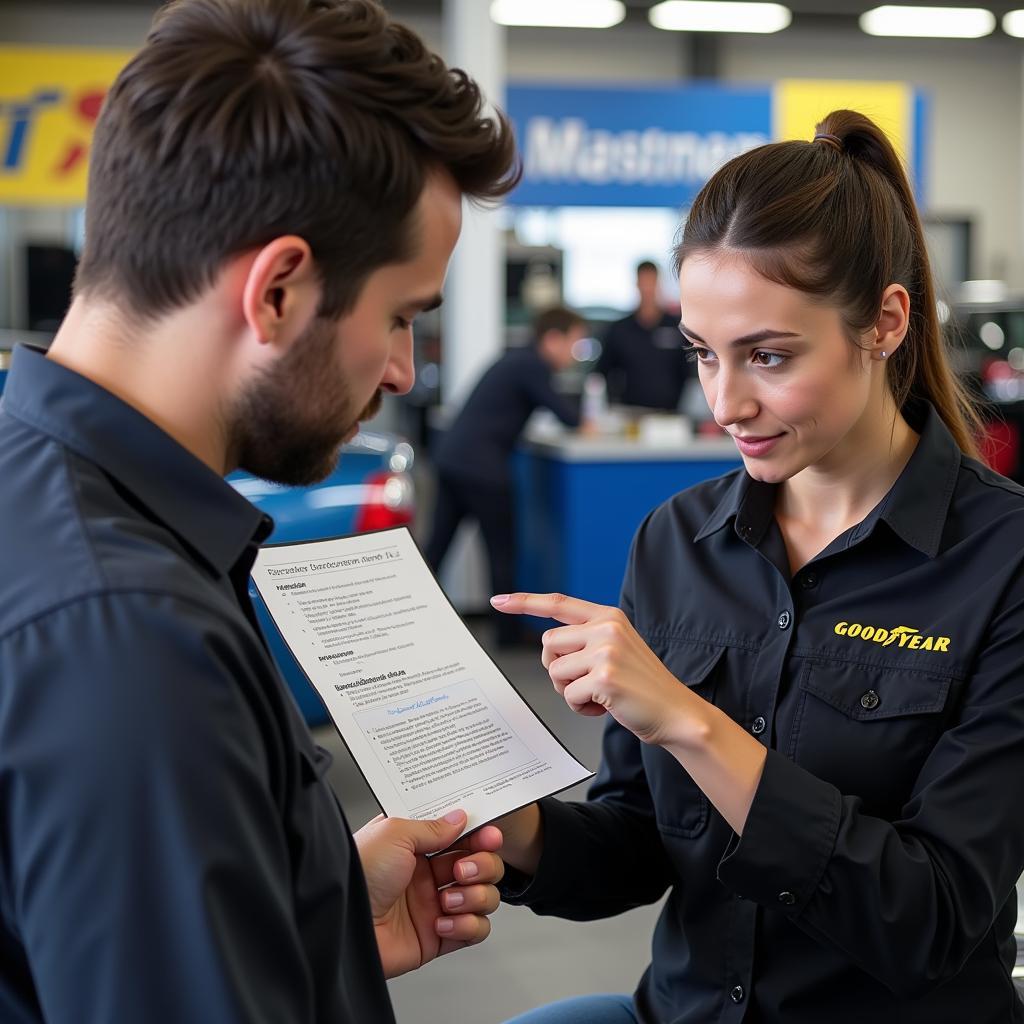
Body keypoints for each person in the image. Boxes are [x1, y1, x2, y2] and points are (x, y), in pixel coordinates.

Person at [0, 1, 520, 1021]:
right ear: (278, 289)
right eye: (401, 315)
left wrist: (309, 906)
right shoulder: (132, 639)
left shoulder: (49, 504)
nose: (407, 370)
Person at [490, 111, 1024, 1024]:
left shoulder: (1003, 562)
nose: (726, 402)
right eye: (704, 354)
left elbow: (930, 920)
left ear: (886, 323)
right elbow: (639, 842)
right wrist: (509, 831)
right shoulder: (676, 540)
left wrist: (694, 725)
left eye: (768, 357)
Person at [425, 306, 585, 646]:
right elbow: (568, 416)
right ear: (553, 339)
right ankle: (508, 635)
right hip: (481, 468)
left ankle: (409, 622)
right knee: (502, 551)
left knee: (437, 547)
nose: (575, 354)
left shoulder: (517, 360)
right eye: (573, 343)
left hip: (453, 458)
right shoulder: (532, 365)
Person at [595, 259, 689, 411]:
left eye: (651, 283)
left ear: (658, 284)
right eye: (643, 283)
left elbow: (688, 371)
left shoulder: (677, 327)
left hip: (669, 413)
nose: (647, 289)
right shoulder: (620, 330)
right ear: (637, 284)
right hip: (629, 415)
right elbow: (601, 373)